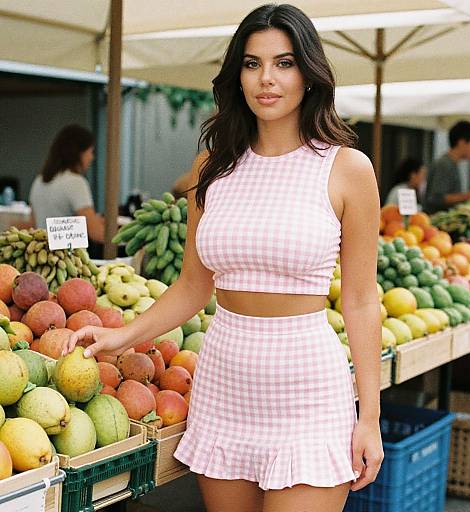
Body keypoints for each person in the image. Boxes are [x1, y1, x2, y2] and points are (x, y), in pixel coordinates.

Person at [63, 4, 383, 511]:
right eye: (252, 64)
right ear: (237, 74)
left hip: (308, 387)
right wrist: (120, 335)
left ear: (309, 72)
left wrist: (369, 418)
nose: (267, 79)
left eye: (284, 62)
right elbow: (194, 286)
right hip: (225, 380)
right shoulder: (211, 166)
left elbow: (363, 301)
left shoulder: (347, 168)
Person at [29, 124, 105, 243]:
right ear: (79, 153)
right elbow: (96, 232)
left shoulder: (38, 181)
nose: (92, 157)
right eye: (90, 152)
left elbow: (33, 224)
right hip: (67, 257)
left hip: (41, 254)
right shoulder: (75, 182)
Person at [425, 120, 470, 214]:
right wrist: (468, 196)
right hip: (436, 224)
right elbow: (436, 198)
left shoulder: (453, 164)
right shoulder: (444, 164)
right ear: (462, 142)